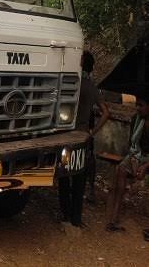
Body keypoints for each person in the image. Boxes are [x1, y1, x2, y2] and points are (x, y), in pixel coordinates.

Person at [58, 51, 110, 228]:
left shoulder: (70, 83)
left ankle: (65, 214)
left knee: (64, 175)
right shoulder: (91, 87)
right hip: (82, 137)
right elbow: (106, 112)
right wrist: (92, 132)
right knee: (79, 177)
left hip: (65, 135)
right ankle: (76, 218)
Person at [106, 95, 149, 232]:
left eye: (141, 105)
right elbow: (133, 145)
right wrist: (134, 161)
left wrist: (145, 166)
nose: (137, 108)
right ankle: (113, 220)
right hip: (138, 154)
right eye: (137, 105)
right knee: (121, 169)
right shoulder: (136, 119)